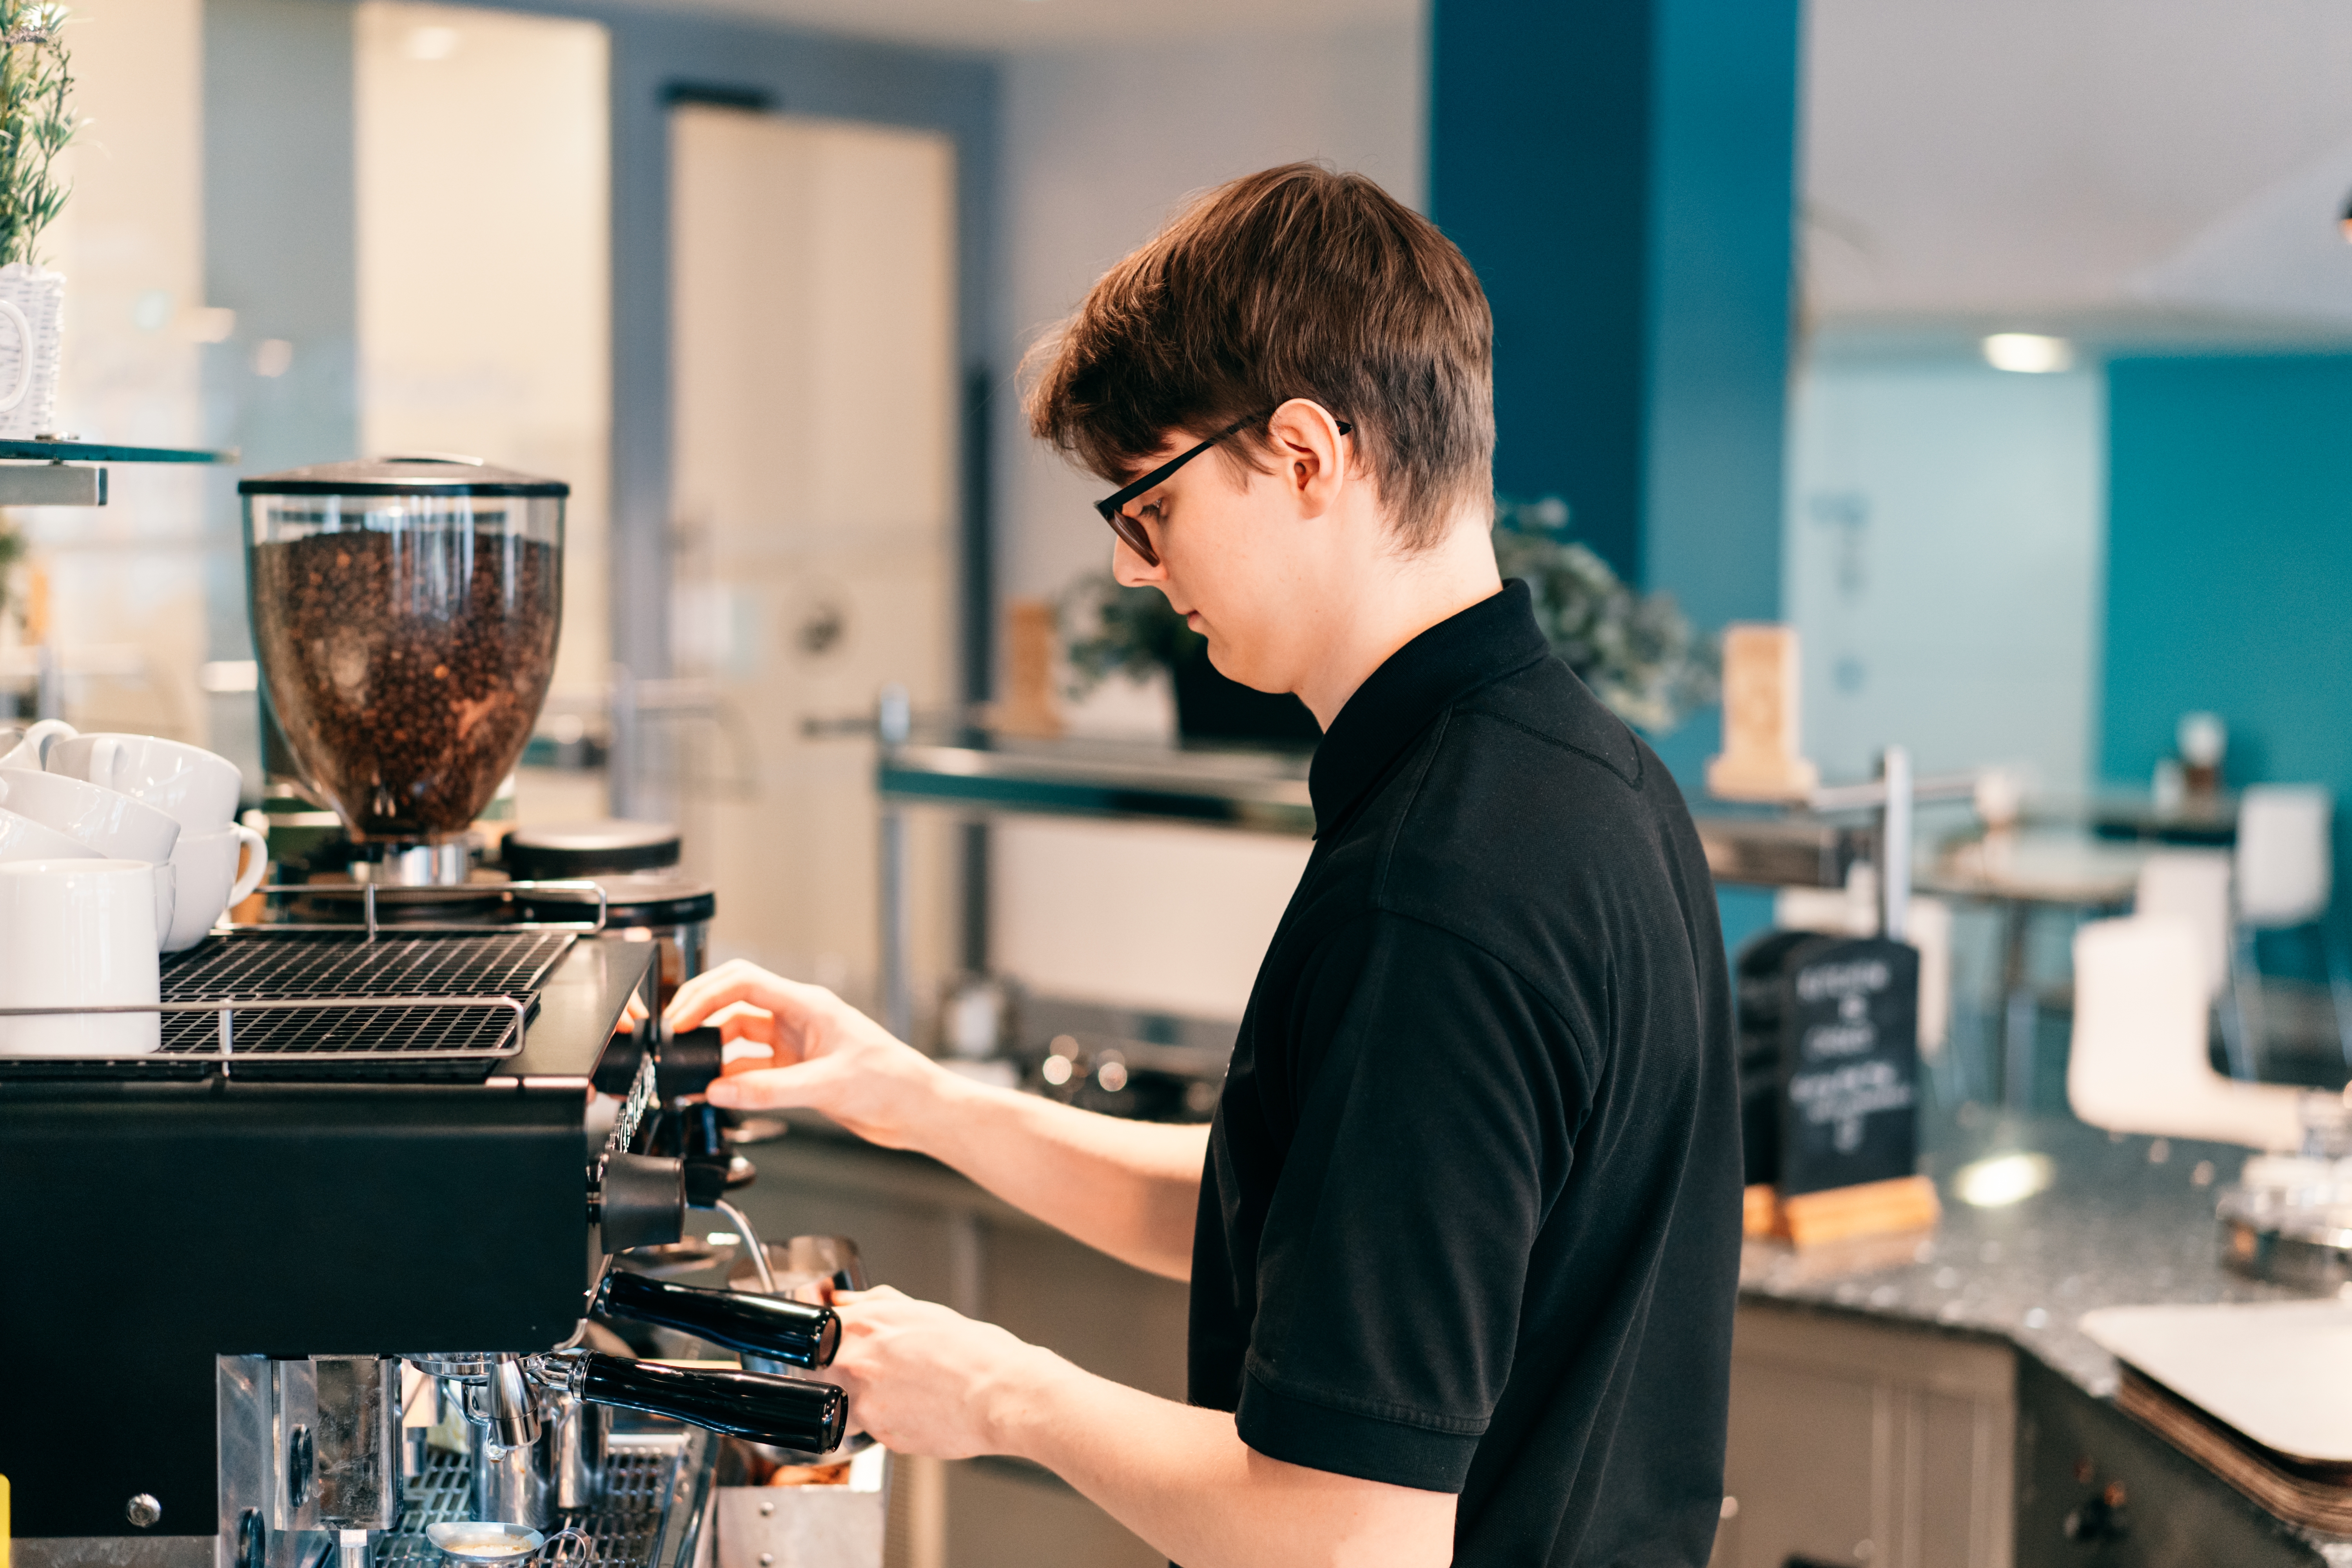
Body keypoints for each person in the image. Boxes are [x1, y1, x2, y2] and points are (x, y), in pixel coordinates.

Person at [668, 163, 1742, 1568]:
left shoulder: (1436, 888)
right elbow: (1330, 1229)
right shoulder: (1591, 779)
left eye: (1147, 507)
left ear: (1306, 456)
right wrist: (920, 1102)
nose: (1130, 569)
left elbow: (1343, 1539)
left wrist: (997, 1391)